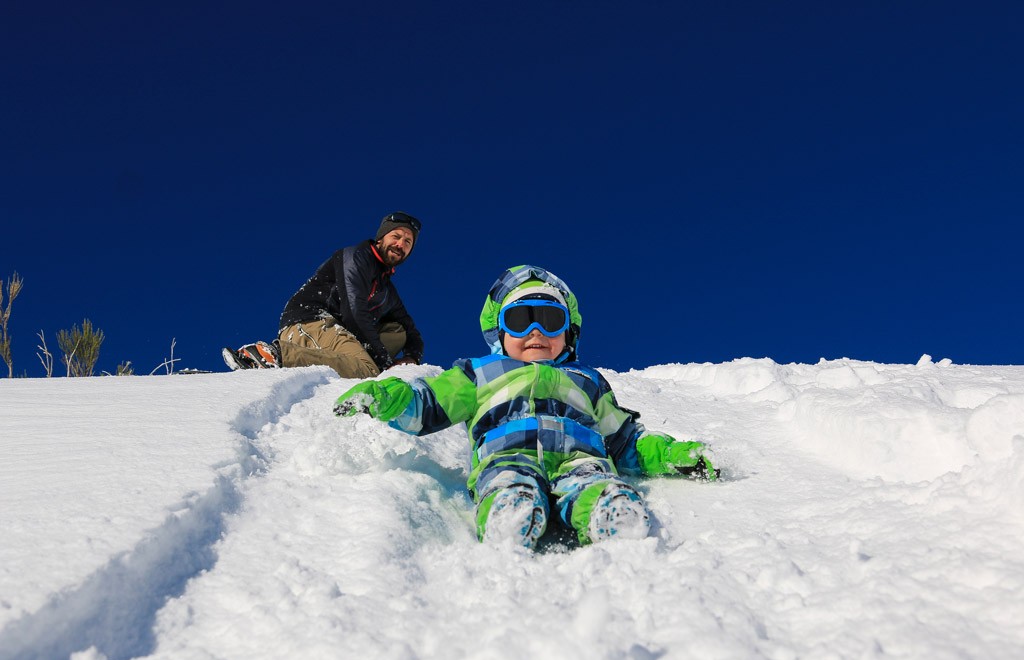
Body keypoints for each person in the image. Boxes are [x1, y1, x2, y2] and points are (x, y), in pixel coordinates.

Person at [333, 265, 718, 549]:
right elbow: (429, 404)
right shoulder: (480, 374)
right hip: (507, 454)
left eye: (550, 319)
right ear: (500, 333)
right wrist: (392, 398)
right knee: (506, 479)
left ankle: (608, 510)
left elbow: (625, 440)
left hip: (580, 459)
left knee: (596, 480)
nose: (535, 331)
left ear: (568, 333)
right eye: (520, 320)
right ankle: (509, 511)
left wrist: (670, 453)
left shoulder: (587, 381)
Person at [223, 211, 425, 378]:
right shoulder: (356, 257)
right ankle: (274, 355)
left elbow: (411, 333)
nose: (401, 244)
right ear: (381, 238)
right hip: (309, 321)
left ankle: (365, 368)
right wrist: (384, 363)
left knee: (397, 330)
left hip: (337, 331)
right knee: (366, 369)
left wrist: (411, 359)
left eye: (408, 242)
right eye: (396, 237)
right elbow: (354, 312)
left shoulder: (387, 290)